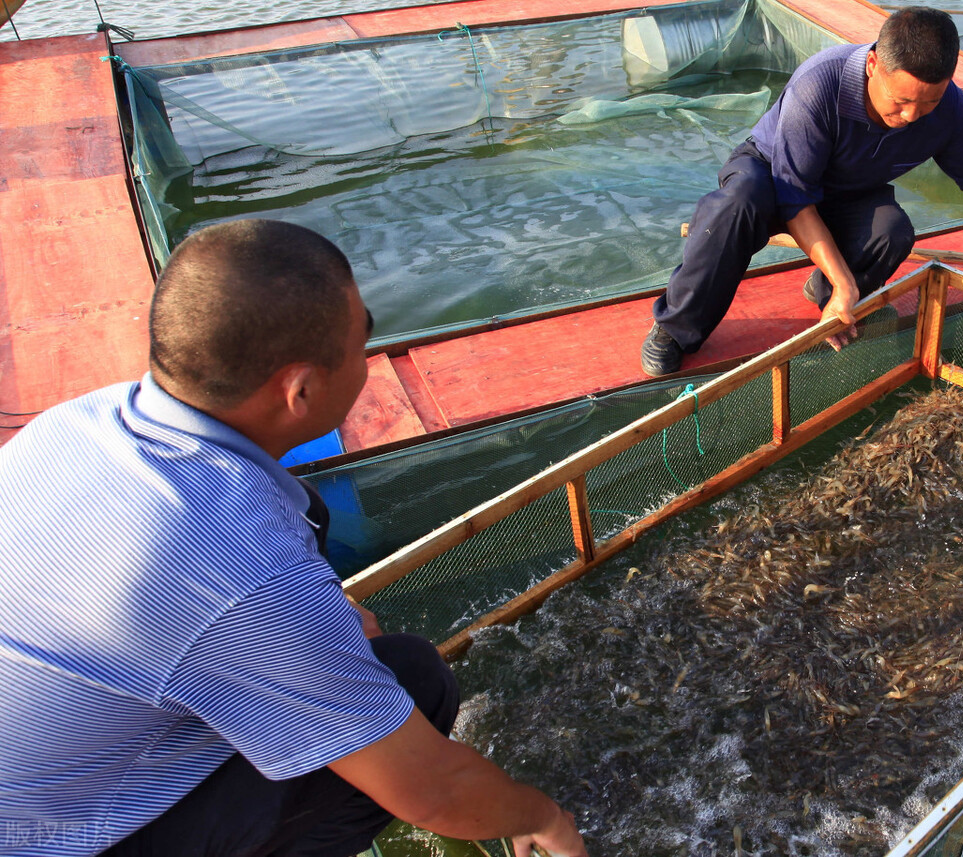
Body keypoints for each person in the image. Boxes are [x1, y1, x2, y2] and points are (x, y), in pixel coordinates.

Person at [0, 220, 587, 857]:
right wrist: (546, 815)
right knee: (414, 680)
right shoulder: (237, 564)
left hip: (41, 775)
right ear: (300, 389)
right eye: (362, 339)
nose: (368, 353)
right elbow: (435, 792)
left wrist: (309, 626)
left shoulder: (72, 423)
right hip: (53, 841)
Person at [640, 6, 963, 376]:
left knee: (891, 232)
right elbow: (795, 199)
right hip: (771, 174)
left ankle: (829, 291)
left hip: (846, 189)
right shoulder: (819, 85)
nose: (911, 116)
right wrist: (848, 284)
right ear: (873, 64)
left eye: (928, 102)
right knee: (736, 206)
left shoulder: (951, 108)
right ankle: (676, 326)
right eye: (900, 101)